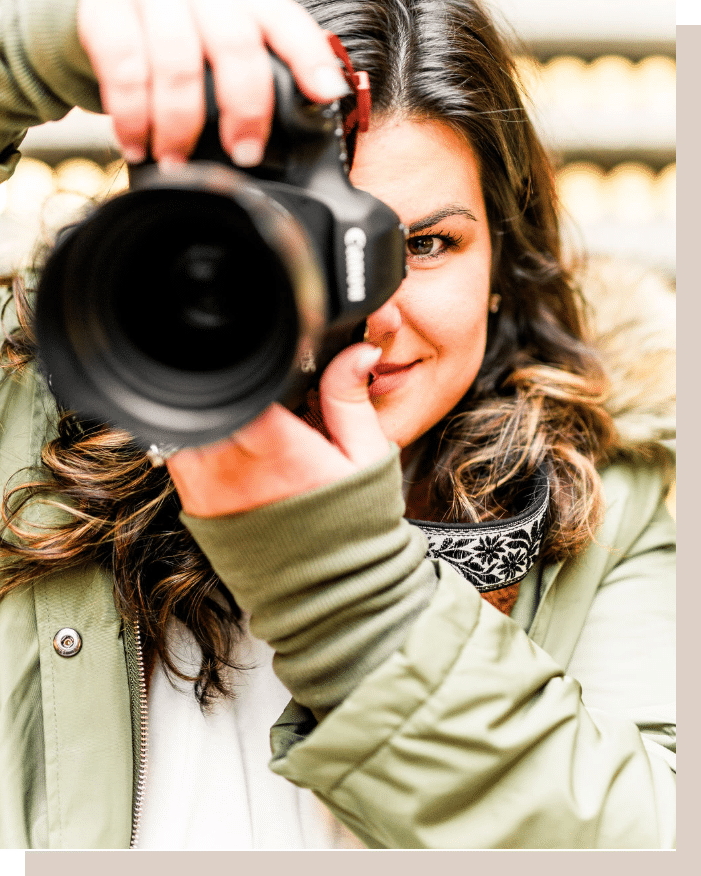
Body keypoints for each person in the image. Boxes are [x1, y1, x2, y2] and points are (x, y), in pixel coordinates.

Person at [0, 0, 675, 850]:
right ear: (169, 243)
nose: (366, 315)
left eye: (424, 245)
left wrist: (345, 590)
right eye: (290, 244)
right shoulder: (25, 409)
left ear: (503, 257)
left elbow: (653, 840)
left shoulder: (605, 498)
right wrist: (31, 50)